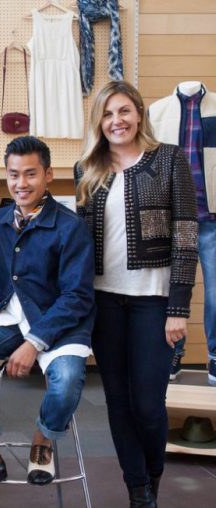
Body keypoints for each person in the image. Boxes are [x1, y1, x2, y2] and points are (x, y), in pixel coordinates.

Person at [75, 80, 198, 508]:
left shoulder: (167, 160)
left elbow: (186, 234)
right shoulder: (88, 168)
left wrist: (178, 308)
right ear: (99, 122)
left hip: (154, 302)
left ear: (139, 114)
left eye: (124, 111)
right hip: (104, 302)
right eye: (108, 114)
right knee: (116, 402)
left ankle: (153, 475)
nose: (117, 121)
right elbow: (78, 244)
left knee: (147, 403)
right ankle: (138, 492)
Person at [0, 136, 94, 497]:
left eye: (30, 174)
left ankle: (43, 440)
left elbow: (77, 296)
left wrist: (34, 343)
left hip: (61, 323)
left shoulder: (70, 227)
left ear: (48, 175)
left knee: (66, 380)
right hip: (15, 316)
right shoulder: (1, 220)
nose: (21, 183)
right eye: (14, 175)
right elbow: (4, 277)